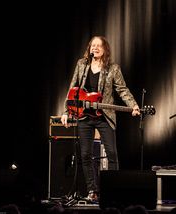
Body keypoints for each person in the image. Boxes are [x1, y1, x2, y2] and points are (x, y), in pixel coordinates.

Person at [61, 36, 140, 202]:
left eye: (98, 45)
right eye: (92, 45)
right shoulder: (82, 65)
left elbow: (122, 90)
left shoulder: (113, 68)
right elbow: (72, 89)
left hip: (104, 115)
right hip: (83, 115)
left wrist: (133, 105)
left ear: (105, 49)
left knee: (112, 153)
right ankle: (93, 191)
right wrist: (66, 111)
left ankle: (113, 190)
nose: (95, 48)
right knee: (85, 155)